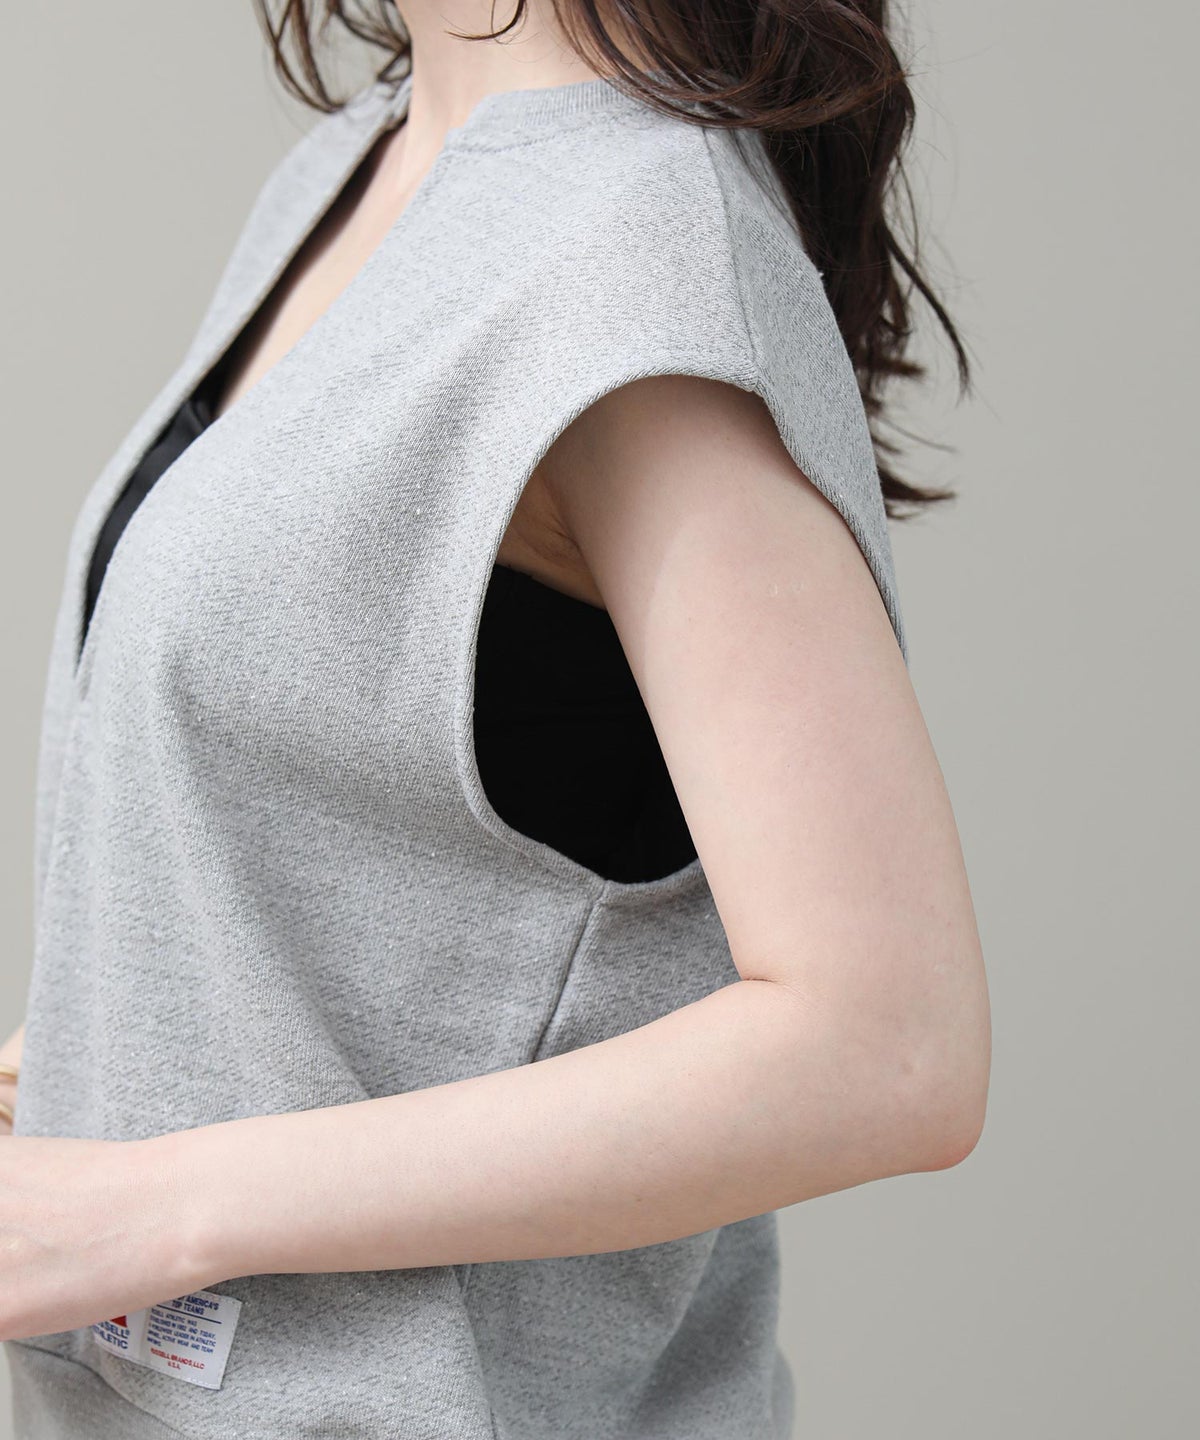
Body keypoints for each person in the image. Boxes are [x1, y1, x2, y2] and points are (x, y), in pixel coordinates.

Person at [1, 1, 991, 1436]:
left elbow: (888, 1046)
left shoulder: (636, 245)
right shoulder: (367, 161)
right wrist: (103, 1042)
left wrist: (148, 1206)